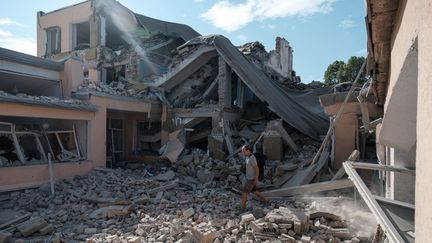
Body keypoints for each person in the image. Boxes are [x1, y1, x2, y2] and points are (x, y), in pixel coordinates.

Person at [240, 144, 268, 210]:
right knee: (254, 191)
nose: (242, 153)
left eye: (244, 151)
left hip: (251, 179)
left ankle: (242, 208)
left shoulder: (252, 158)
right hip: (248, 178)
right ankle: (265, 200)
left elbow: (257, 169)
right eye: (242, 151)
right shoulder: (247, 157)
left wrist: (256, 179)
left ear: (248, 150)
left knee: (244, 193)